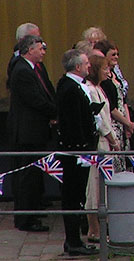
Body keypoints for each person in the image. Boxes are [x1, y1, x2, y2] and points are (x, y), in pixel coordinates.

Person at [7, 35, 56, 232]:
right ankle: (25, 219)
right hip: (27, 132)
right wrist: (56, 112)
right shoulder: (22, 70)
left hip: (36, 131)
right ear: (29, 50)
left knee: (34, 174)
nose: (43, 51)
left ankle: (33, 210)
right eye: (40, 48)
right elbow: (35, 100)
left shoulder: (34, 68)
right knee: (27, 175)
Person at [56, 49, 99, 256]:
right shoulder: (70, 88)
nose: (89, 66)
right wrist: (82, 149)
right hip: (75, 152)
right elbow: (72, 123)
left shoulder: (74, 86)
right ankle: (72, 242)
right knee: (73, 196)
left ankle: (74, 240)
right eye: (86, 63)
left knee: (77, 195)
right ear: (78, 67)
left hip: (79, 150)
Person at [84, 55, 120, 243]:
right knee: (95, 186)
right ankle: (94, 229)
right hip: (100, 144)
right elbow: (100, 120)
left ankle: (97, 227)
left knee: (101, 185)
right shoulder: (91, 90)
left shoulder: (98, 88)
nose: (108, 72)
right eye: (105, 69)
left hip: (106, 142)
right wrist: (112, 139)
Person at [94, 40, 134, 172]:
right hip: (113, 123)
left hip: (122, 122)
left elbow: (123, 99)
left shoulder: (115, 73)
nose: (116, 57)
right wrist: (126, 122)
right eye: (113, 54)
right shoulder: (103, 78)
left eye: (118, 54)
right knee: (115, 160)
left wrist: (128, 122)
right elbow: (111, 107)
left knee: (124, 157)